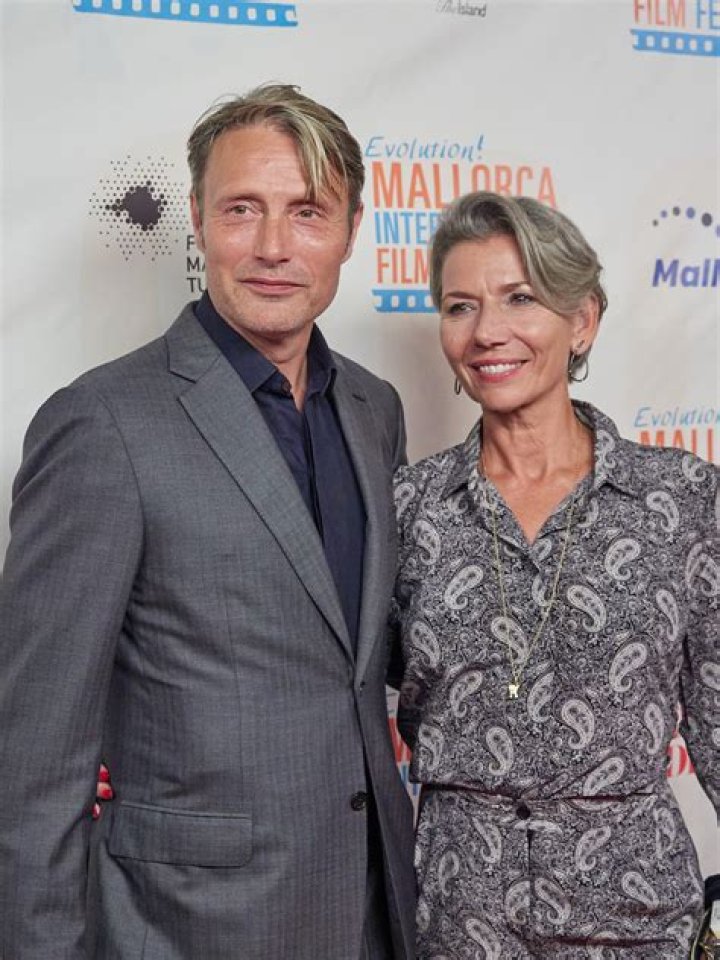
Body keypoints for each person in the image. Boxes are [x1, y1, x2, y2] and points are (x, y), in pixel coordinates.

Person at [0, 84, 416, 960]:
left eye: (308, 212)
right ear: (196, 217)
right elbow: (35, 755)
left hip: (371, 912)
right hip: (189, 924)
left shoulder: (375, 409)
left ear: (351, 230)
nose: (273, 247)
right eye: (241, 209)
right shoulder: (103, 423)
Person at [391, 191, 718, 958]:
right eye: (460, 306)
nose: (487, 332)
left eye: (521, 298)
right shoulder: (409, 507)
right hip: (458, 916)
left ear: (583, 321)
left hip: (635, 921)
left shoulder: (679, 498)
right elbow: (337, 697)